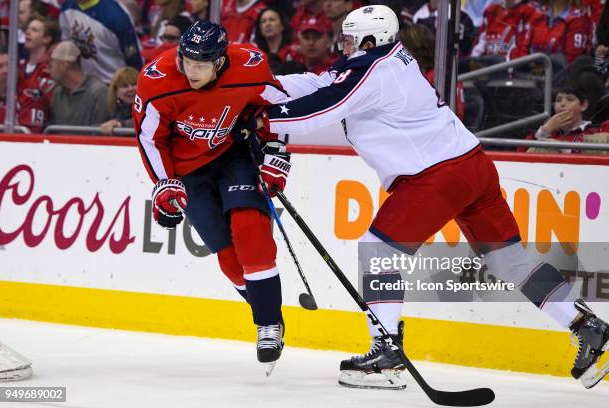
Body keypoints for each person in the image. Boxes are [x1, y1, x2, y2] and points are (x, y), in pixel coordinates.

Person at [239, 4, 609, 389]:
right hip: (472, 166)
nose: (343, 45)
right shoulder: (383, 61)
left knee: (378, 250)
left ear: (369, 39)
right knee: (509, 261)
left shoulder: (374, 69)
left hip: (437, 175)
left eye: (350, 39)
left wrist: (261, 119)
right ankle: (586, 326)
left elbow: (324, 107)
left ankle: (386, 354)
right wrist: (265, 86)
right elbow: (321, 83)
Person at [132, 20, 290, 374]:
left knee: (251, 231)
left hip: (234, 154)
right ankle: (265, 309)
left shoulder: (250, 65)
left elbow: (279, 107)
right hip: (188, 170)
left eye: (202, 64)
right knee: (230, 259)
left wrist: (277, 151)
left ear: (220, 61)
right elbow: (148, 138)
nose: (192, 71)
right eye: (187, 61)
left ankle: (267, 323)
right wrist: (164, 183)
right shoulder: (156, 80)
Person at [59, 0, 143, 83]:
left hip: (114, 82)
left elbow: (133, 58)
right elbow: (68, 43)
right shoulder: (67, 7)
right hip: (85, 80)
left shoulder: (117, 16)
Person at [48, 41, 110, 126]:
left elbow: (100, 132)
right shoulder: (58, 93)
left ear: (64, 65)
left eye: (50, 65)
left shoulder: (98, 93)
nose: (48, 70)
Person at [18, 17, 60, 132]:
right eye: (28, 29)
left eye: (34, 30)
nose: (28, 32)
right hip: (17, 129)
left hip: (40, 134)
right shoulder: (17, 68)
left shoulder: (50, 71)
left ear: (46, 38)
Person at [100, 66, 139, 134]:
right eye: (125, 86)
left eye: (134, 84)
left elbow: (143, 122)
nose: (130, 89)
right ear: (115, 91)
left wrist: (119, 124)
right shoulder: (109, 109)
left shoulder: (149, 107)